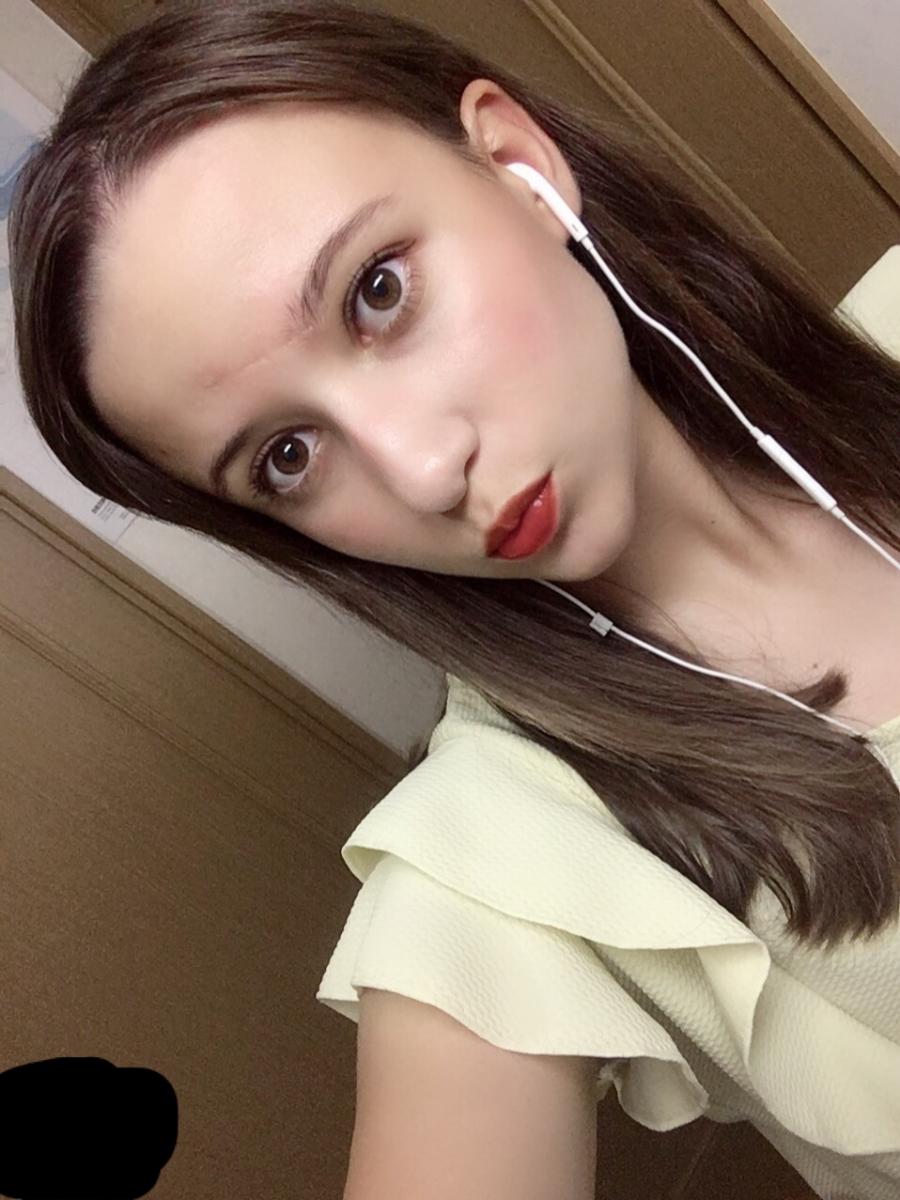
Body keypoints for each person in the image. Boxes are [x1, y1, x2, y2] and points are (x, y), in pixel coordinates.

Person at [7, 1, 900, 1196]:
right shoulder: (499, 854)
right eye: (287, 456)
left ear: (520, 167)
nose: (424, 470)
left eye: (378, 292)